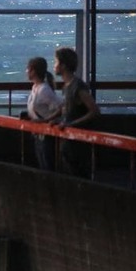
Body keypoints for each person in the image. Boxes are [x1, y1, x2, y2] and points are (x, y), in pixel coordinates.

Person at [48, 47, 100, 177]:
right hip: (69, 142)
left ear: (63, 65)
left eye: (56, 62)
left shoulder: (78, 87)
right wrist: (56, 119)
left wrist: (71, 124)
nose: (54, 66)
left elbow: (94, 111)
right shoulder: (67, 86)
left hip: (78, 145)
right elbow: (67, 109)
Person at [23, 56, 60, 170]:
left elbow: (60, 108)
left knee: (47, 163)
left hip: (46, 133)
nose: (26, 71)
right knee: (42, 162)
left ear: (33, 71)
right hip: (39, 133)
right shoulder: (36, 87)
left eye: (28, 69)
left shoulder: (44, 90)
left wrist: (45, 120)